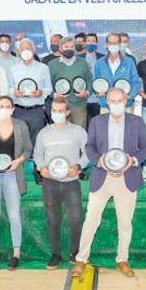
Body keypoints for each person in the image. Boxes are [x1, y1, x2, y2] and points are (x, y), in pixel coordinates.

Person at [71, 88, 146, 278]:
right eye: (112, 101)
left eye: (119, 100)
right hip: (102, 177)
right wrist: (99, 160)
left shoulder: (137, 122)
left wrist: (133, 160)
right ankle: (81, 259)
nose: (116, 104)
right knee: (91, 220)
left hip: (127, 178)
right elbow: (89, 146)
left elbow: (145, 147)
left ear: (126, 101)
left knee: (125, 223)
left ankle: (122, 260)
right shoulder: (97, 121)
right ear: (107, 101)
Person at [34, 98, 89, 269]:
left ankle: (75, 252)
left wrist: (78, 166)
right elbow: (38, 155)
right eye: (54, 111)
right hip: (50, 183)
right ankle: (56, 254)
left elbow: (88, 152)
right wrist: (41, 168)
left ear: (67, 112)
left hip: (71, 182)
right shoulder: (44, 133)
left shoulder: (78, 131)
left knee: (75, 219)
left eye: (60, 111)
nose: (57, 114)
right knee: (53, 219)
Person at [0, 96, 33, 271]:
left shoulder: (21, 126)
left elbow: (28, 149)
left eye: (7, 106)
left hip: (12, 175)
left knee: (14, 215)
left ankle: (16, 254)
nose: (4, 108)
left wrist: (18, 161)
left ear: (13, 108)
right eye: (1, 106)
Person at [8, 38, 52, 147]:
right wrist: (14, 92)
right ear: (18, 51)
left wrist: (41, 92)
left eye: (28, 48)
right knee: (18, 139)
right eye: (22, 49)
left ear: (34, 50)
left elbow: (48, 88)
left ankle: (34, 162)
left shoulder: (43, 68)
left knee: (36, 140)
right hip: (18, 109)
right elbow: (8, 87)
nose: (25, 51)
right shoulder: (13, 69)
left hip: (36, 110)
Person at [48, 37, 92, 127]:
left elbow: (90, 80)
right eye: (66, 46)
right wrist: (55, 95)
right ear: (60, 48)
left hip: (79, 105)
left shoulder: (83, 63)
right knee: (61, 132)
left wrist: (87, 92)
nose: (69, 49)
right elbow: (47, 85)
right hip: (60, 106)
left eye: (72, 47)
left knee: (80, 132)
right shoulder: (52, 64)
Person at [94, 33, 142, 113]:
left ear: (120, 44)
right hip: (106, 106)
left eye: (115, 43)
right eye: (111, 43)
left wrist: (129, 96)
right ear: (107, 45)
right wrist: (97, 92)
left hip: (124, 104)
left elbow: (136, 82)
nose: (113, 45)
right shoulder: (99, 63)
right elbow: (96, 82)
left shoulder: (129, 62)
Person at [81, 32, 104, 122]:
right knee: (84, 125)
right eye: (88, 41)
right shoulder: (78, 58)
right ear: (84, 43)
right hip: (82, 99)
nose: (91, 43)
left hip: (98, 99)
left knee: (97, 125)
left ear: (97, 43)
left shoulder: (103, 58)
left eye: (93, 41)